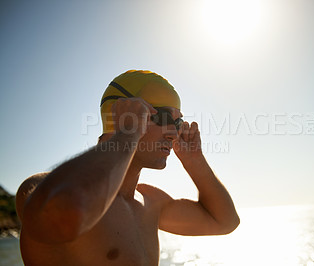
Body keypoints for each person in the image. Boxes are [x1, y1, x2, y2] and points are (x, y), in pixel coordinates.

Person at [16, 70, 240, 265]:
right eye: (162, 117)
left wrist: (194, 161)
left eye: (178, 123)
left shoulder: (151, 202)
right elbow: (68, 214)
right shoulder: (40, 188)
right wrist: (128, 133)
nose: (173, 133)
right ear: (123, 118)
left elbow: (225, 221)